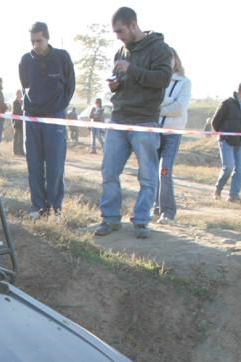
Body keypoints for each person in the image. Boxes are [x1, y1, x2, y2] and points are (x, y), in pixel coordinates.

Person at [94, 7, 171, 239]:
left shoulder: (159, 49)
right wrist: (115, 84)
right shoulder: (120, 52)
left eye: (120, 31)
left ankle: (141, 220)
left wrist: (132, 69)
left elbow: (162, 79)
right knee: (108, 171)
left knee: (147, 176)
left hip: (145, 120)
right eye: (115, 32)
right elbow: (123, 79)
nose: (118, 36)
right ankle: (110, 218)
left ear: (133, 24)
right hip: (119, 118)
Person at [19, 21, 75, 217]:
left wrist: (58, 106)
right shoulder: (25, 60)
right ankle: (38, 206)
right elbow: (25, 84)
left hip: (54, 117)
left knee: (55, 164)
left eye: (39, 41)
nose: (36, 45)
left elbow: (70, 86)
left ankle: (56, 207)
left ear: (47, 37)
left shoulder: (62, 57)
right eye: (32, 41)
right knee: (33, 163)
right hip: (32, 117)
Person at [153, 48, 191, 223]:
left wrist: (160, 107)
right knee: (151, 171)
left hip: (172, 133)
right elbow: (149, 103)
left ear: (176, 60)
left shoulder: (184, 82)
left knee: (164, 171)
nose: (168, 62)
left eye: (171, 58)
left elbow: (179, 108)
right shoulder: (156, 80)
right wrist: (168, 104)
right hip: (153, 131)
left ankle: (168, 212)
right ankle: (155, 207)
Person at [211, 80, 241, 205]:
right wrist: (223, 133)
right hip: (226, 140)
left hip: (240, 141)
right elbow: (215, 122)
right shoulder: (227, 103)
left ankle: (234, 196)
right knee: (228, 167)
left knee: (240, 168)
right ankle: (218, 190)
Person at [12, 89, 25, 156]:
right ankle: (15, 151)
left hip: (22, 123)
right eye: (18, 94)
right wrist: (13, 121)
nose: (20, 95)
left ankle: (21, 151)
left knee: (22, 138)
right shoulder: (14, 102)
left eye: (20, 94)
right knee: (16, 137)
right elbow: (14, 112)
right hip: (17, 122)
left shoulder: (23, 102)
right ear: (16, 95)